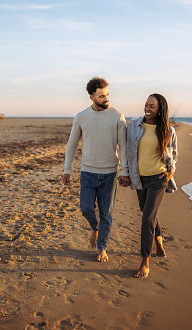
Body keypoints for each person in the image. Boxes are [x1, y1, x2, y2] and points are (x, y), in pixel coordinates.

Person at [63, 77, 131, 262]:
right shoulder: (81, 117)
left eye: (108, 94)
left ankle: (102, 247)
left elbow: (123, 146)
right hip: (88, 172)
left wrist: (124, 171)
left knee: (106, 213)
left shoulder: (118, 116)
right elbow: (72, 144)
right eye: (102, 96)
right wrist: (67, 169)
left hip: (110, 172)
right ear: (91, 97)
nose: (106, 99)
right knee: (85, 208)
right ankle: (95, 227)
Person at [126, 93, 177, 278]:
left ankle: (145, 261)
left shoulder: (168, 130)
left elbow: (174, 154)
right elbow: (126, 150)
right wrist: (125, 173)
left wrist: (171, 170)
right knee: (147, 212)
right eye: (146, 104)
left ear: (160, 109)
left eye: (152, 106)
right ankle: (158, 240)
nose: (147, 108)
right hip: (140, 178)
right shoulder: (133, 126)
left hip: (158, 178)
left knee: (147, 218)